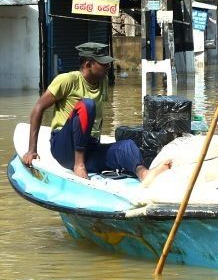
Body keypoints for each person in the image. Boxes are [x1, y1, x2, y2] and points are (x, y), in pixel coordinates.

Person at [22, 43, 168, 186]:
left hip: (89, 149)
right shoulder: (67, 80)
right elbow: (38, 108)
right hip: (65, 148)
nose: (108, 67)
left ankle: (144, 174)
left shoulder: (102, 81)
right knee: (87, 105)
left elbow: (99, 117)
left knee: (127, 146)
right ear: (88, 64)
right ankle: (79, 165)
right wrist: (32, 150)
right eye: (103, 64)